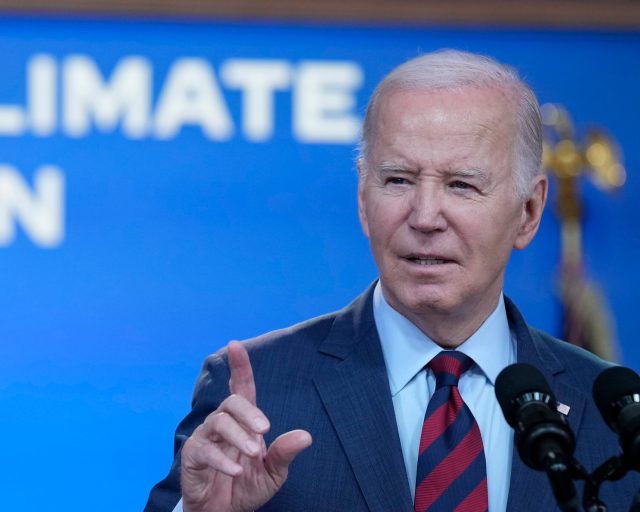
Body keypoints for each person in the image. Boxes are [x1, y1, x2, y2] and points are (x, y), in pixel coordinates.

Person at [145, 50, 638, 512]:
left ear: (529, 212)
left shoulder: (612, 415)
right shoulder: (258, 393)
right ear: (363, 200)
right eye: (397, 180)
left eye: (461, 185)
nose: (424, 217)